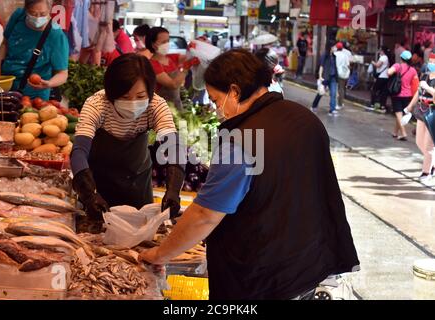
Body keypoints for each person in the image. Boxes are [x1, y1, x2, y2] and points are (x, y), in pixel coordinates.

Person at [140, 49, 360, 300]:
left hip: (261, 277)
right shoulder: (304, 118)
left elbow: (205, 215)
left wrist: (159, 255)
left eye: (215, 100)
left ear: (234, 91)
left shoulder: (239, 140)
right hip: (311, 264)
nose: (216, 109)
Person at [71, 53, 185, 231]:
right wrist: (89, 194)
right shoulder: (96, 105)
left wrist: (174, 189)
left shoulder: (156, 105)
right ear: (111, 92)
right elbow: (79, 151)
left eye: (140, 96)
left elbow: (174, 148)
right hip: (98, 184)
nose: (133, 103)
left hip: (137, 183)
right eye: (124, 97)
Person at [0, 0, 68, 101]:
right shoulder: (18, 16)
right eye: (33, 13)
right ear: (26, 10)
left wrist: (49, 84)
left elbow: (62, 74)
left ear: (50, 10)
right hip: (5, 85)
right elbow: (5, 43)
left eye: (42, 14)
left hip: (34, 95)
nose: (37, 18)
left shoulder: (56, 34)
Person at [146, 27, 198, 110]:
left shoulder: (171, 58)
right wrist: (185, 69)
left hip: (176, 104)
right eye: (163, 42)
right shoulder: (152, 64)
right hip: (160, 108)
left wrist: (192, 48)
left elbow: (189, 57)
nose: (167, 44)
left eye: (168, 41)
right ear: (153, 45)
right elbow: (173, 85)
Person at [402, 50, 435, 183]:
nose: (431, 63)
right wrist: (410, 107)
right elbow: (417, 92)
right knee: (419, 142)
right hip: (422, 111)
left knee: (429, 145)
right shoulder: (426, 75)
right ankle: (432, 163)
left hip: (433, 113)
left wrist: (427, 88)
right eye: (431, 61)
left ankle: (427, 172)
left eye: (434, 61)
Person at [387, 50, 418, 141]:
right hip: (408, 95)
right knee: (399, 113)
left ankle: (404, 133)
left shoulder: (397, 66)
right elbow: (415, 81)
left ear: (401, 58)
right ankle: (395, 132)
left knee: (398, 113)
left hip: (397, 93)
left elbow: (389, 72)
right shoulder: (413, 70)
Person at [311, 45, 339, 116]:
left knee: (333, 93)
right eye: (334, 47)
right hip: (325, 77)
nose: (335, 48)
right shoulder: (325, 56)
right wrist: (320, 76)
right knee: (321, 93)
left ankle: (332, 110)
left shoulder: (334, 56)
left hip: (333, 77)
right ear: (330, 47)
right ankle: (314, 105)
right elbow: (321, 66)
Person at [368, 46, 390, 113]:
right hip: (386, 77)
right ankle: (382, 105)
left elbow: (378, 65)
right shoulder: (387, 58)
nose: (379, 51)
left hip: (381, 77)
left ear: (383, 51)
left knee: (374, 90)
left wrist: (373, 62)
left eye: (380, 50)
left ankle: (372, 104)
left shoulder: (383, 57)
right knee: (383, 92)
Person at [334, 42, 351, 110]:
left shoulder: (334, 54)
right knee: (342, 88)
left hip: (335, 73)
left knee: (335, 88)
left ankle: (335, 103)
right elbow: (348, 65)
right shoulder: (345, 55)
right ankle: (341, 103)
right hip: (343, 73)